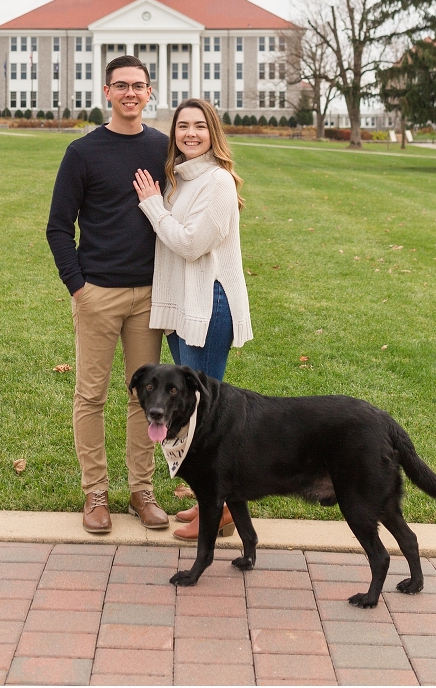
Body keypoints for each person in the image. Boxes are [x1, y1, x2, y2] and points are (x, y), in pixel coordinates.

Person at [46, 55, 170, 534]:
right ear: (107, 91)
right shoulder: (82, 152)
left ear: (149, 91)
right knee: (90, 395)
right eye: (121, 85)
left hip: (149, 295)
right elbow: (59, 226)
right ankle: (95, 492)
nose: (130, 93)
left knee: (145, 400)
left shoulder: (163, 148)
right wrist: (78, 285)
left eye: (138, 85)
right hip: (98, 292)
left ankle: (142, 490)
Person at [133, 97, 252, 540]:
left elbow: (188, 243)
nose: (190, 134)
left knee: (206, 418)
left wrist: (152, 206)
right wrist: (160, 200)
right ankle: (211, 504)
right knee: (192, 413)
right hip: (183, 305)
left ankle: (216, 510)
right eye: (182, 126)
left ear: (213, 132)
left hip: (208, 306)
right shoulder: (179, 181)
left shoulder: (217, 182)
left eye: (199, 126)